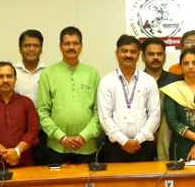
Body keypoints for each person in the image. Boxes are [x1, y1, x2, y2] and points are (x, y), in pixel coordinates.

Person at [37, 27, 103, 164]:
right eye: (67, 43)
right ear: (60, 46)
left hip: (87, 147)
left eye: (75, 43)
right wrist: (61, 137)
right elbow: (42, 111)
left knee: (89, 179)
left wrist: (83, 136)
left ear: (81, 46)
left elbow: (99, 112)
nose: (71, 47)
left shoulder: (92, 73)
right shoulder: (48, 74)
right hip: (57, 148)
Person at [97, 36, 160, 163]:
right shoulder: (107, 81)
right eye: (124, 51)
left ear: (139, 54)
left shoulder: (149, 81)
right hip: (115, 147)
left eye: (133, 51)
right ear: (117, 53)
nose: (128, 55)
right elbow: (105, 117)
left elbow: (155, 114)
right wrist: (124, 141)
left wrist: (138, 140)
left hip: (143, 146)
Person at [141, 37, 180, 161]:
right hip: (141, 140)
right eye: (151, 54)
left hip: (170, 138)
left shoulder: (176, 81)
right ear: (143, 57)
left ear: (165, 56)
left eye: (159, 54)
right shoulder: (136, 81)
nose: (155, 57)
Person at [14, 29, 48, 165]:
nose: (31, 49)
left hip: (44, 133)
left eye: (35, 46)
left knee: (43, 171)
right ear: (20, 49)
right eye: (27, 45)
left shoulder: (50, 72)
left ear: (41, 49)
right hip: (18, 134)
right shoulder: (12, 72)